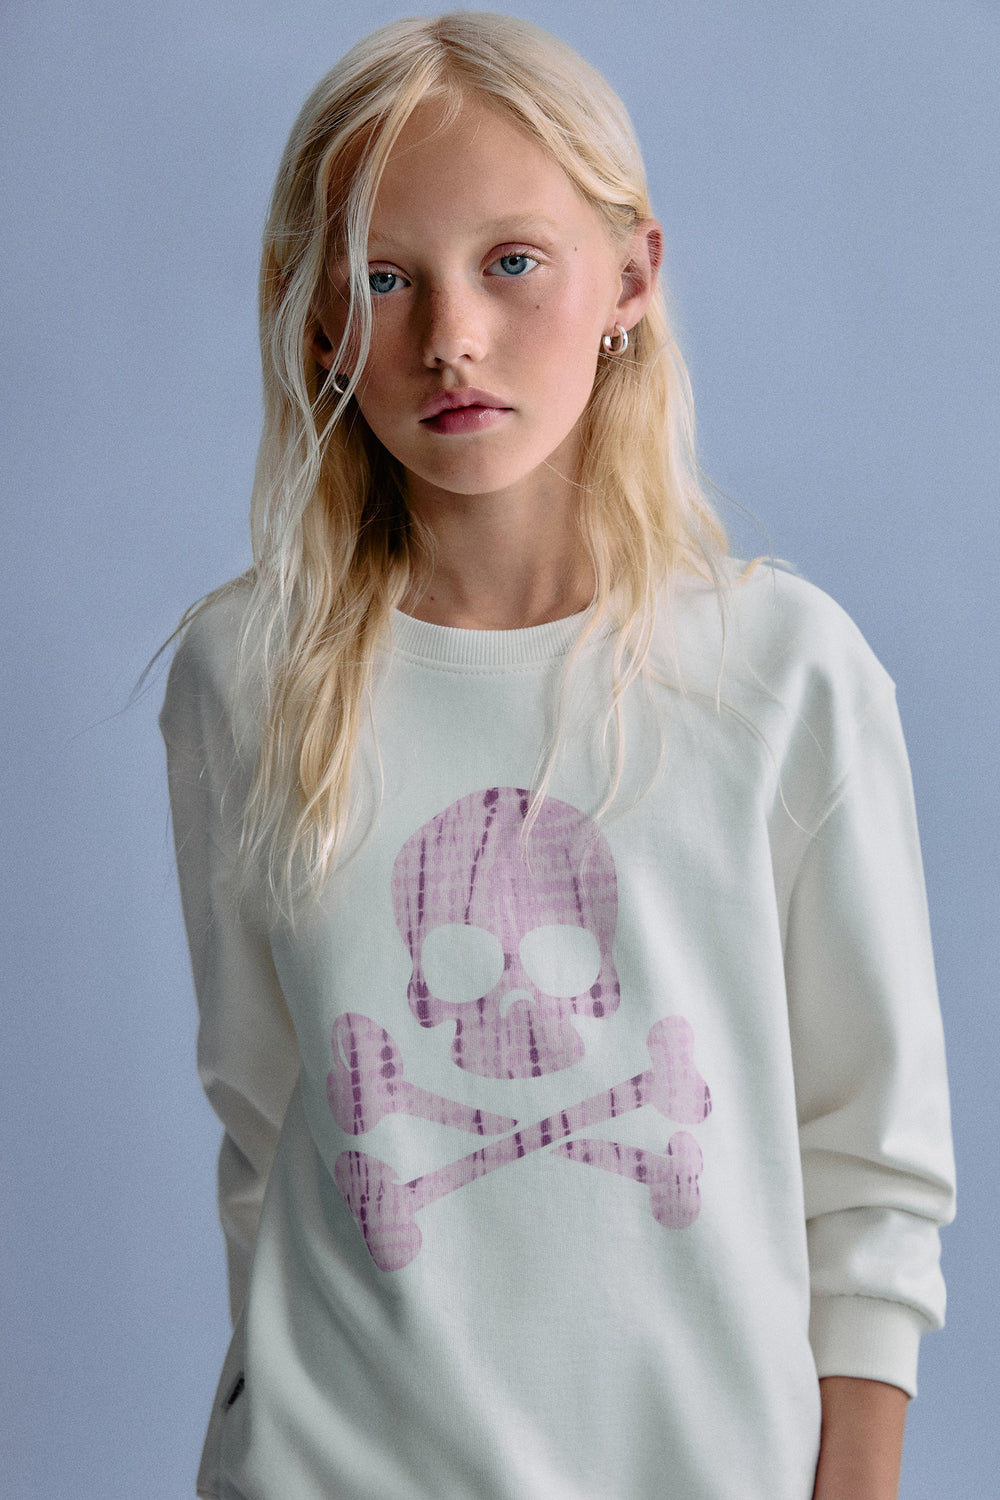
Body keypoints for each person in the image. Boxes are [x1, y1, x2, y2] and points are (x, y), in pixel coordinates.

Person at [160, 12, 955, 1499]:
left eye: (511, 261)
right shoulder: (245, 677)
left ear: (631, 279)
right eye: (382, 279)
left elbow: (871, 1175)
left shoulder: (783, 674)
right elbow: (271, 1135)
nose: (450, 336)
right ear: (317, 320)